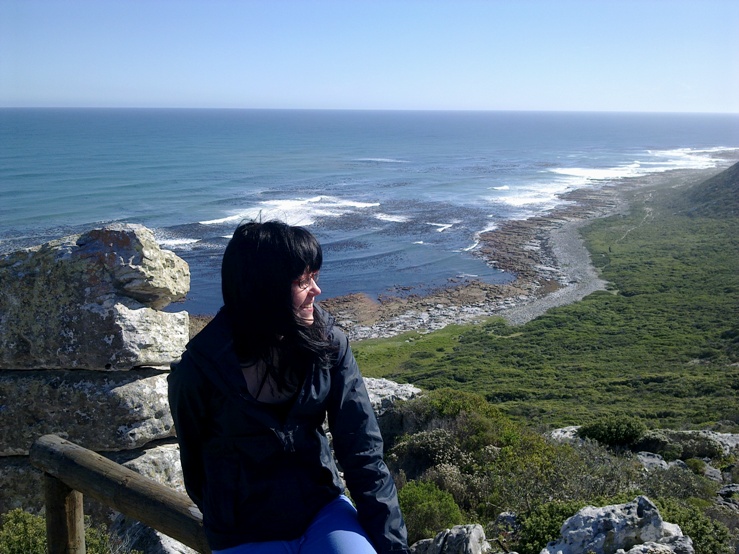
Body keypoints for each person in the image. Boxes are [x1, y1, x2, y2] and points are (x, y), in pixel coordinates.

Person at [168, 220, 410, 554]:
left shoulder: (328, 346)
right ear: (264, 289)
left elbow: (362, 450)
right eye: (302, 281)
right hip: (243, 531)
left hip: (322, 510)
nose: (317, 290)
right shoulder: (198, 372)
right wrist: (225, 519)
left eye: (314, 277)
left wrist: (392, 547)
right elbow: (195, 467)